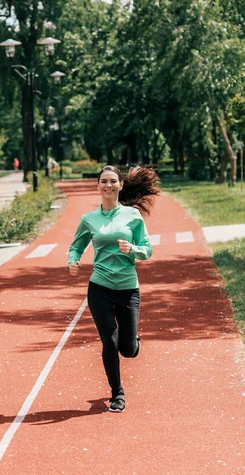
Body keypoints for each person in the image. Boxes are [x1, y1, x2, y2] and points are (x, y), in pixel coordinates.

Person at [68, 165, 160, 413]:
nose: (108, 185)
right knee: (109, 341)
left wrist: (133, 249)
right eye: (103, 181)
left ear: (120, 185)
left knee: (127, 350)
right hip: (99, 288)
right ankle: (117, 393)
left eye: (112, 181)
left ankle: (133, 342)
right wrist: (73, 261)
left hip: (128, 288)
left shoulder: (132, 216)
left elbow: (147, 249)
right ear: (98, 186)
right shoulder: (89, 219)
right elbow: (76, 247)